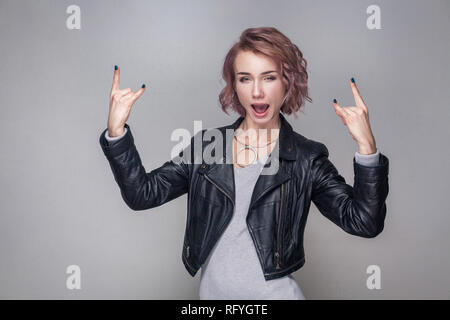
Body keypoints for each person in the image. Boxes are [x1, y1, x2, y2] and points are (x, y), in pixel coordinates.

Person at [99, 27, 389, 300]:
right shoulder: (208, 148)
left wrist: (367, 149)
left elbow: (364, 222)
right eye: (245, 78)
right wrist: (117, 133)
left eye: (269, 77)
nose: (257, 91)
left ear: (287, 82)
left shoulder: (305, 158)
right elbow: (143, 194)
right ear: (234, 85)